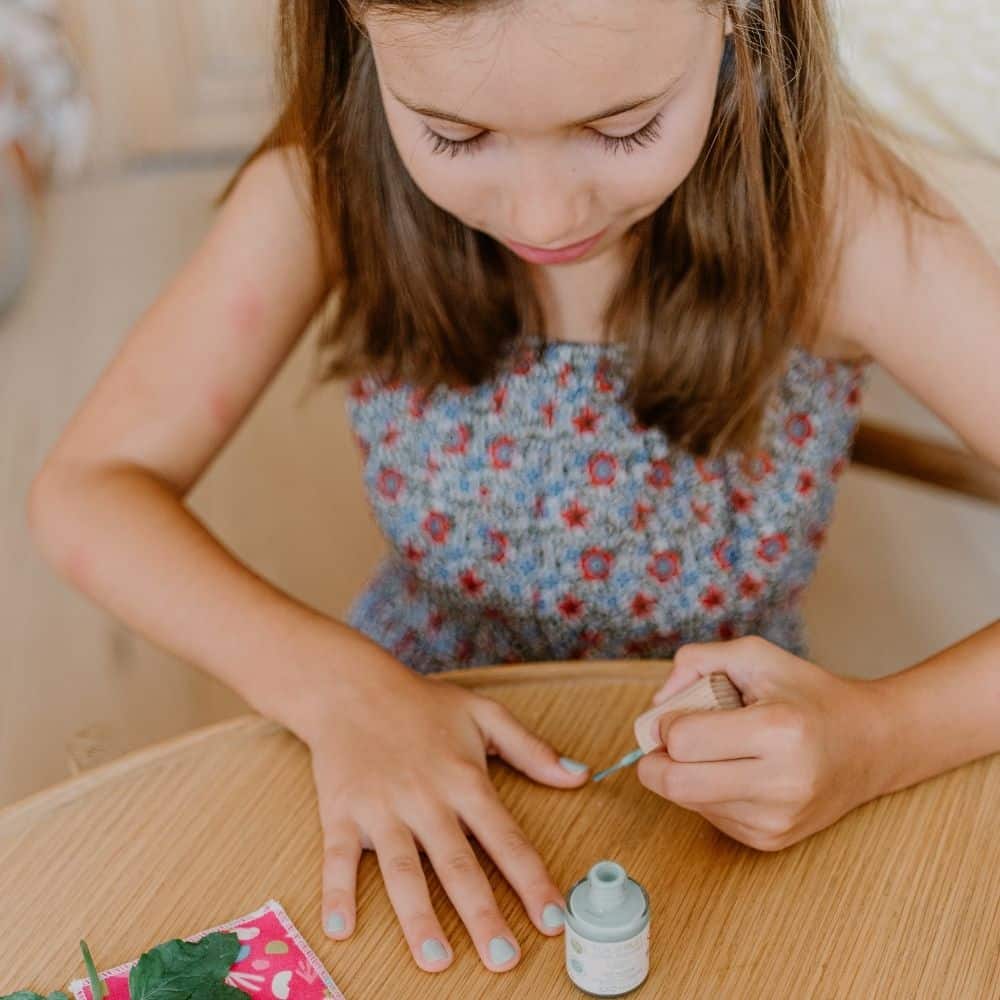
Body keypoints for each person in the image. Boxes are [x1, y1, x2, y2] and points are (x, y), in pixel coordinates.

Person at [27, 0, 1000, 978]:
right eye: (454, 134)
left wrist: (881, 733)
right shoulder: (328, 176)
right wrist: (337, 691)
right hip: (389, 728)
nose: (543, 217)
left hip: (732, 780)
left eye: (624, 127)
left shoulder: (834, 212)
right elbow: (88, 490)